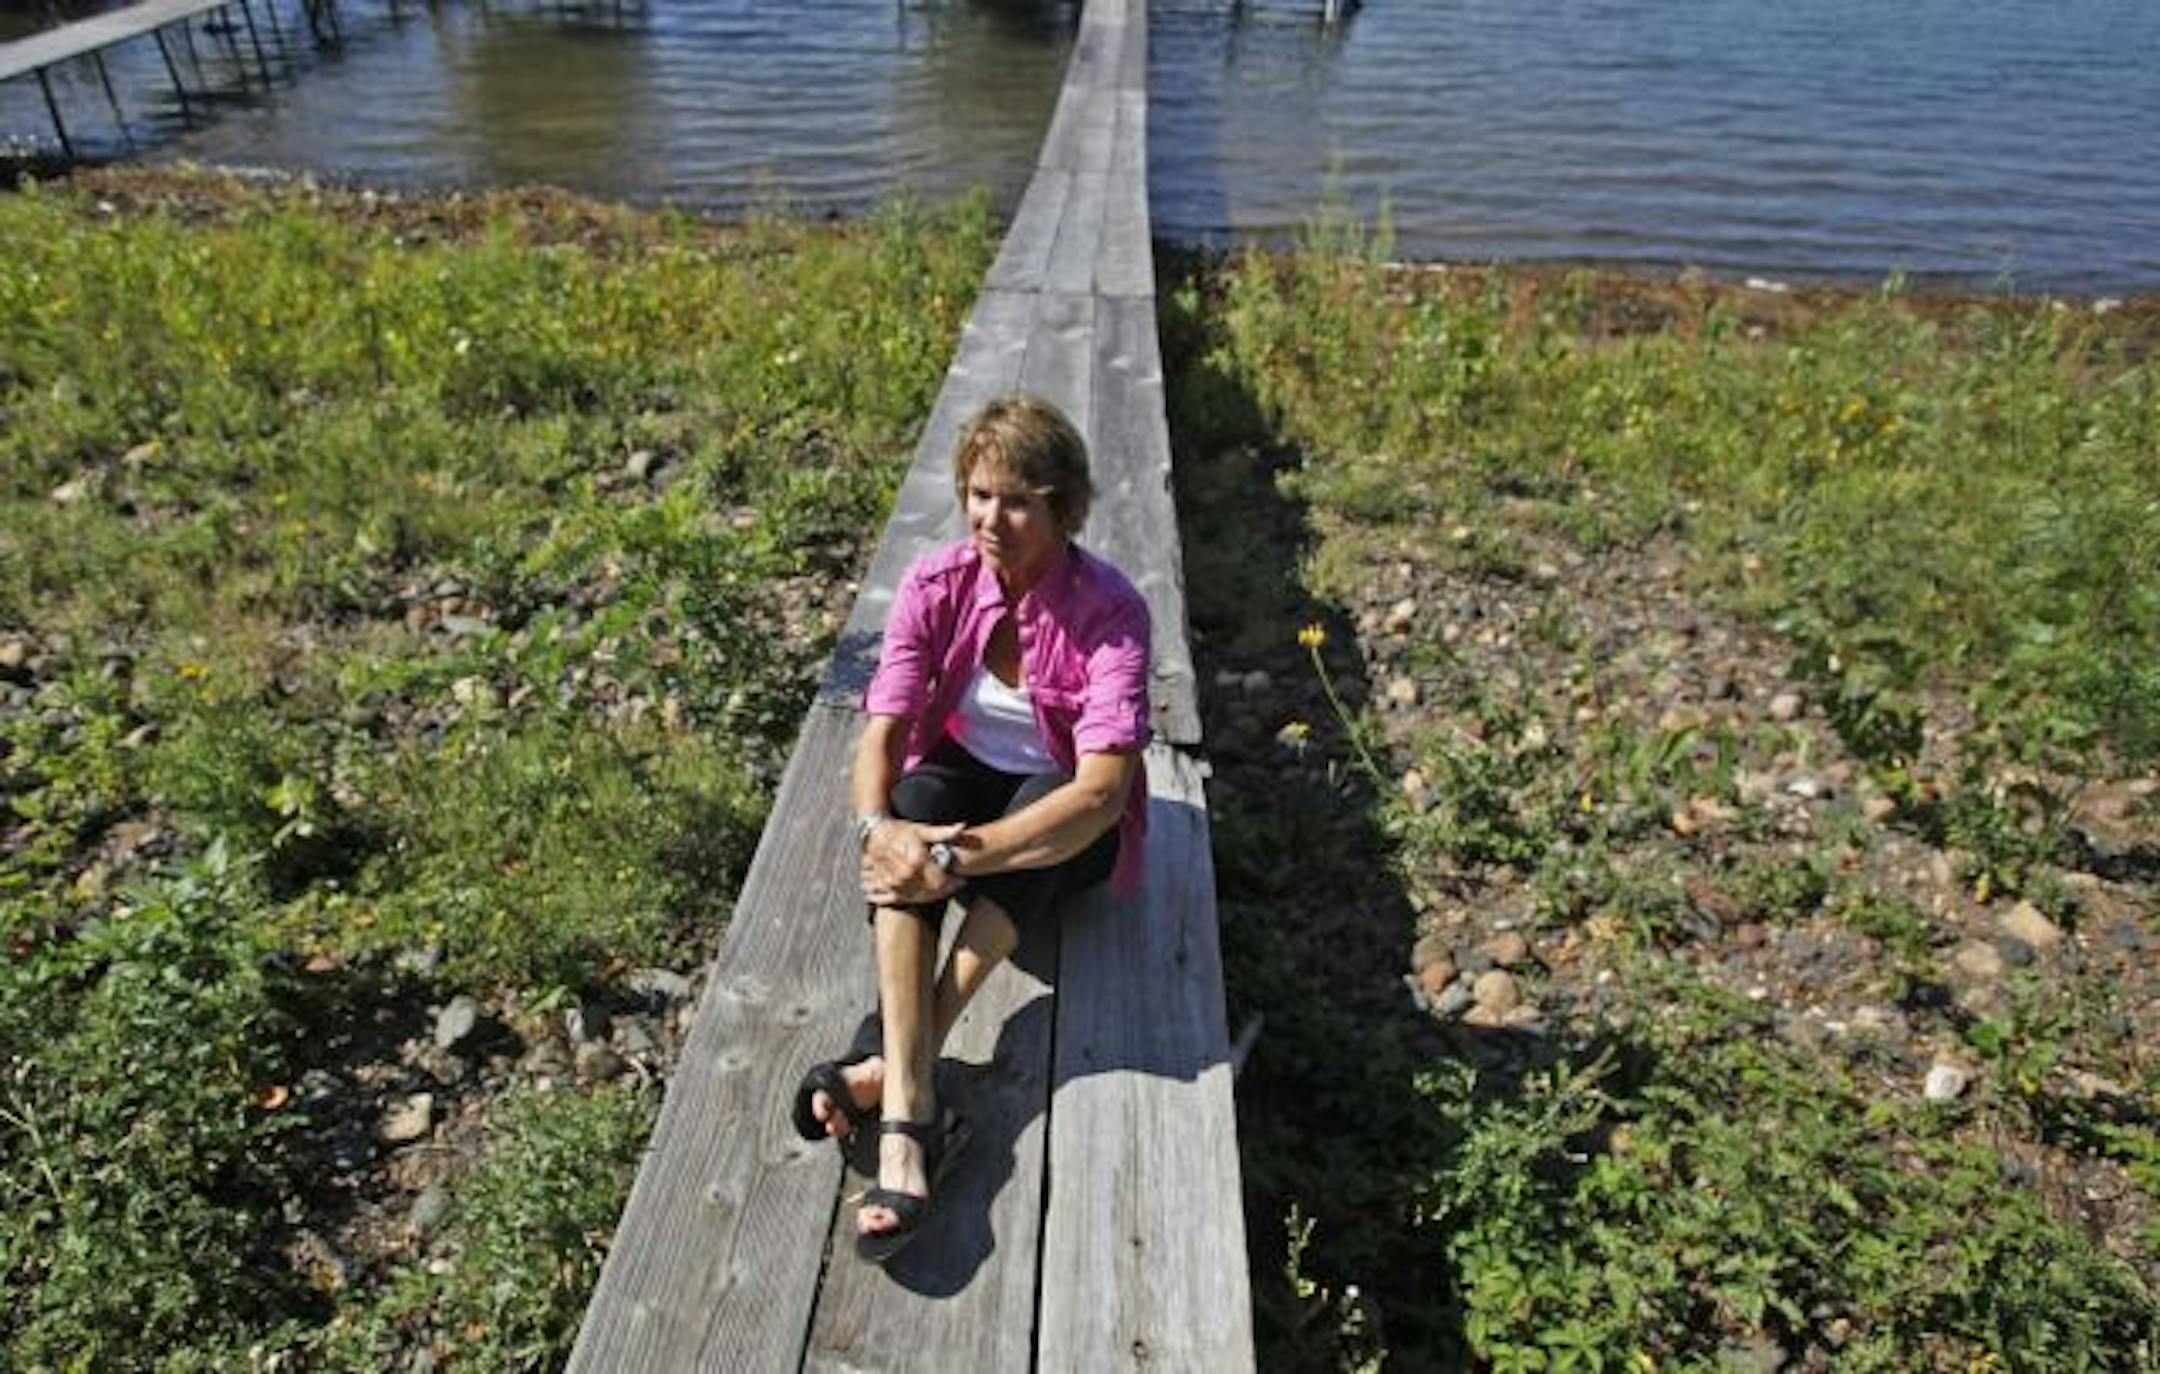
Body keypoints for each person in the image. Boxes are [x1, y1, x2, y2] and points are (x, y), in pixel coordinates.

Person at [789, 393, 1152, 1263]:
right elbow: (882, 731)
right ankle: (913, 1114)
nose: (993, 517)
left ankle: (886, 1064)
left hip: (1068, 815)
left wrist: (952, 854)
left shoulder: (1111, 611)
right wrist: (883, 833)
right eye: (980, 494)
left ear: (1063, 507)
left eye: (1019, 498)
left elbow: (1102, 790)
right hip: (960, 788)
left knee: (1045, 811)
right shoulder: (936, 582)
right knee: (911, 808)